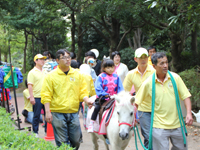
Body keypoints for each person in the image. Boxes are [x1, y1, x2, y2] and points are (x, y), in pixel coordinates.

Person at [135, 52, 193, 150]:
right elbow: (136, 102)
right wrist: (132, 118)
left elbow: (186, 96)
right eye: (161, 63)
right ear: (154, 66)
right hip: (159, 127)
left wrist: (188, 114)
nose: (165, 66)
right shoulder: (148, 82)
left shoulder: (175, 78)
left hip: (178, 124)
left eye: (166, 62)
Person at [41, 49, 93, 149]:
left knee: (76, 141)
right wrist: (47, 112)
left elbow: (83, 91)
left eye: (68, 57)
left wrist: (87, 100)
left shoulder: (78, 74)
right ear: (57, 60)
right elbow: (46, 94)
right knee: (62, 142)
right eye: (64, 58)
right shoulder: (50, 76)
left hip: (74, 112)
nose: (67, 60)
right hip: (57, 112)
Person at [123, 47, 155, 148]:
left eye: (145, 57)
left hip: (158, 108)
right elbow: (125, 93)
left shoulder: (155, 71)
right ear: (135, 59)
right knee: (148, 136)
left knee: (158, 136)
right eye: (140, 57)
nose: (143, 59)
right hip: (142, 109)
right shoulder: (131, 74)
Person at [88, 59, 124, 133]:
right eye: (108, 68)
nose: (110, 69)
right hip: (103, 98)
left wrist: (120, 95)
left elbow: (120, 88)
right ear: (104, 68)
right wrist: (105, 94)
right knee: (97, 108)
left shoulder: (116, 76)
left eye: (111, 67)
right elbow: (98, 88)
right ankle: (91, 123)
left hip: (114, 98)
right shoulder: (100, 77)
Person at [27, 54, 47, 137]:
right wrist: (31, 97)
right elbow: (30, 85)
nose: (43, 61)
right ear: (35, 61)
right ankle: (35, 131)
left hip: (46, 96)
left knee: (47, 114)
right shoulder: (32, 72)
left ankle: (47, 130)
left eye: (43, 59)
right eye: (40, 59)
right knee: (36, 115)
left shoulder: (45, 71)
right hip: (37, 96)